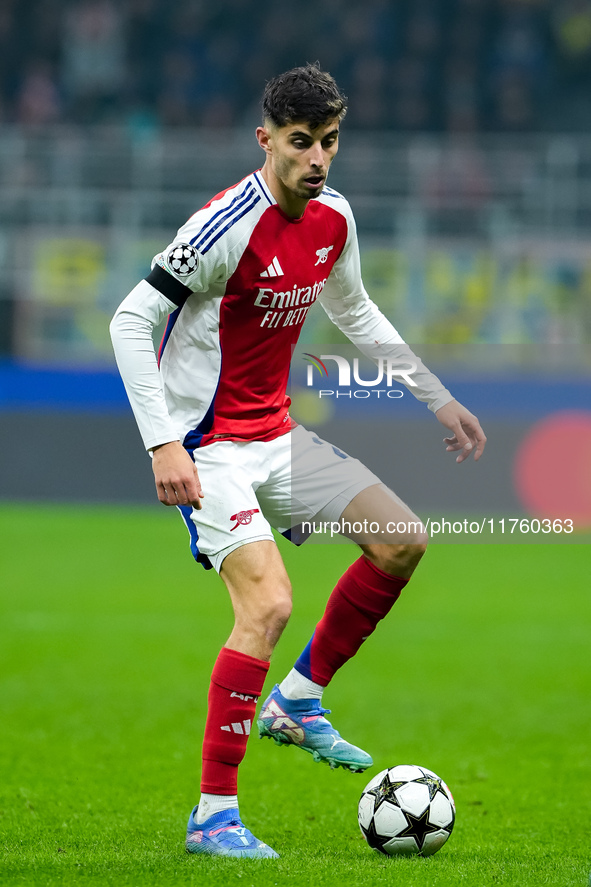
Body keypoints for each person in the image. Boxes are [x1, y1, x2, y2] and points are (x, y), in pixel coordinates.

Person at [110, 63, 486, 860]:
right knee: (268, 606)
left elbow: (355, 310)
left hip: (274, 436)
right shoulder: (222, 227)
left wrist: (436, 397)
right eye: (301, 143)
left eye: (330, 142)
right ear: (266, 141)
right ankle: (213, 815)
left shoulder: (333, 217)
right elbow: (129, 321)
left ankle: (299, 700)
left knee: (402, 539)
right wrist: (161, 441)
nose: (317, 159)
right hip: (208, 446)